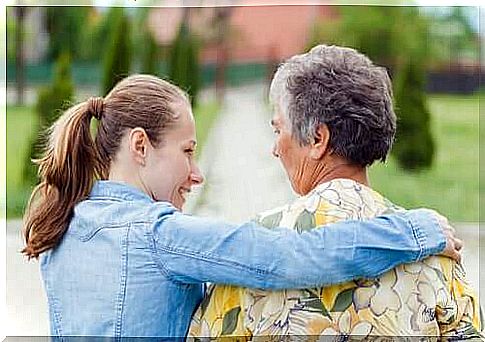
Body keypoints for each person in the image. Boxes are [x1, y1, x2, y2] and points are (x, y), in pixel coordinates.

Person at [22, 74, 461, 338]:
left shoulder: (60, 226)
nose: (197, 173)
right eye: (188, 151)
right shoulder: (160, 236)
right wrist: (416, 230)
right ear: (140, 145)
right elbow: (291, 257)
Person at [188, 45, 482, 339]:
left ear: (318, 138)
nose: (275, 149)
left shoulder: (254, 252)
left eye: (278, 130)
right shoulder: (438, 252)